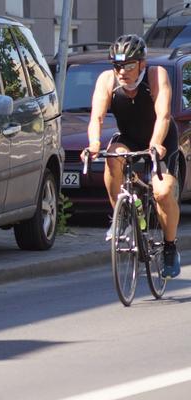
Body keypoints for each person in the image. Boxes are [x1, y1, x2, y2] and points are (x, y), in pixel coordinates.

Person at [84, 34, 181, 278]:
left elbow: (164, 116)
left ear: (141, 64)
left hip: (161, 139)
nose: (121, 71)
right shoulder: (107, 81)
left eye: (128, 65)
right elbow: (96, 117)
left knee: (162, 192)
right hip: (129, 137)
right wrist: (94, 143)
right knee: (112, 157)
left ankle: (170, 247)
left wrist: (156, 144)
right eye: (117, 65)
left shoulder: (156, 75)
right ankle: (122, 216)